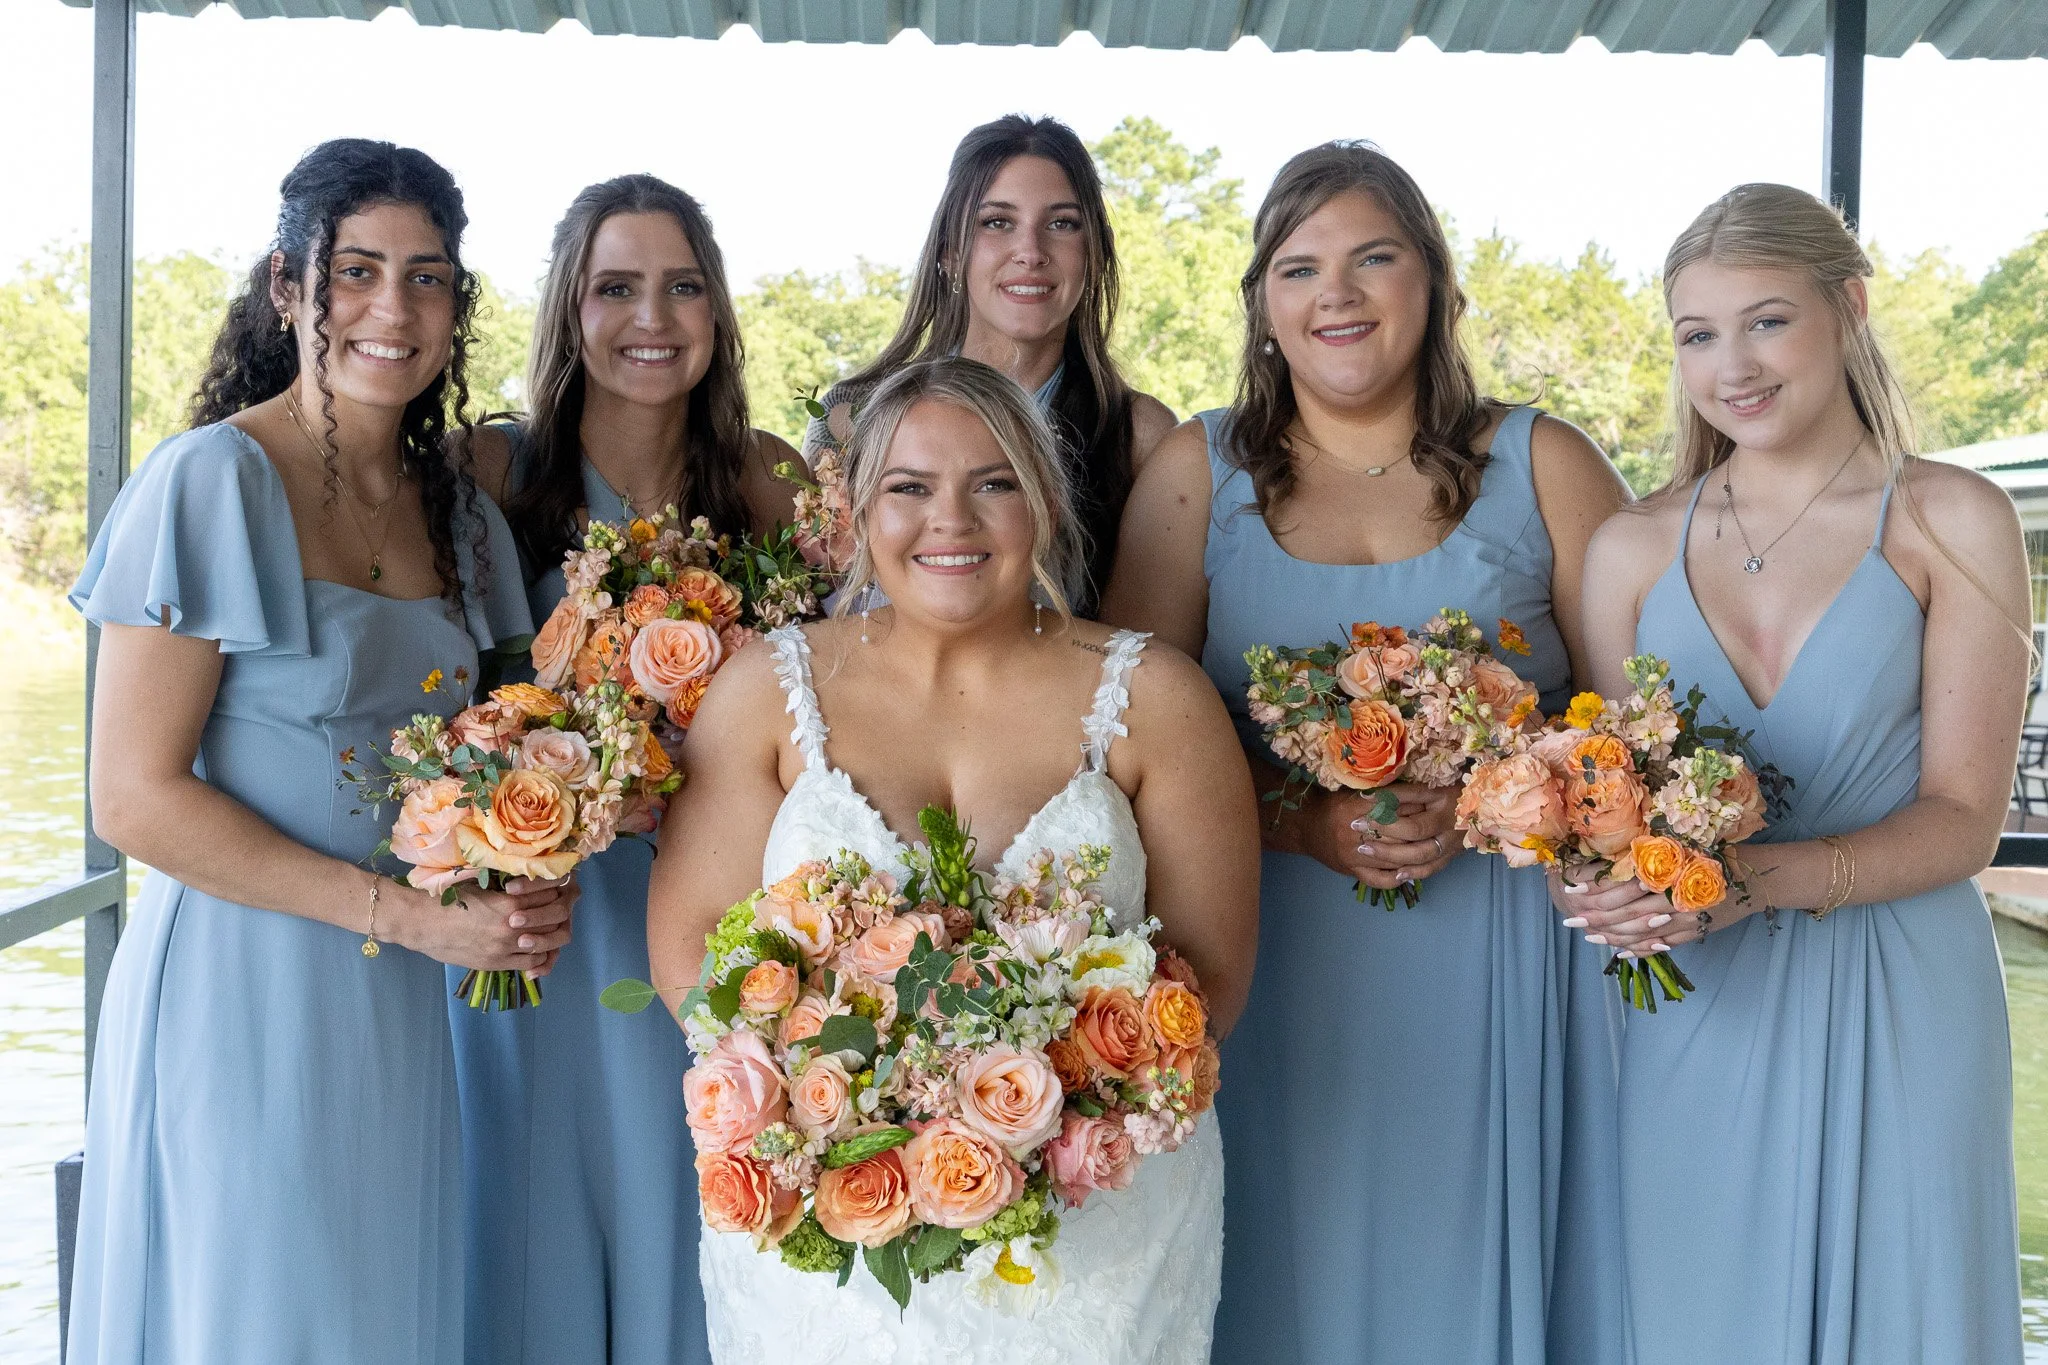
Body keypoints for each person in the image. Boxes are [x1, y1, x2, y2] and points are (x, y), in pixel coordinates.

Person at [1101, 140, 1631, 1363]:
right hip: (1262, 949)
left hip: (1500, 961)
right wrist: (1296, 822)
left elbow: (1626, 720)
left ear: (1433, 282)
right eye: (1300, 267)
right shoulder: (1198, 469)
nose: (1335, 293)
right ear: (1265, 307)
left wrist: (1506, 795)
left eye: (1371, 257)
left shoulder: (1544, 462)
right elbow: (1119, 740)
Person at [650, 356, 1259, 1362]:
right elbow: (689, 961)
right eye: (909, 487)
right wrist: (862, 1107)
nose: (952, 519)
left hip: (1094, 1229)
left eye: (993, 483)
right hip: (831, 1233)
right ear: (851, 511)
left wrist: (1032, 1122)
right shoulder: (766, 689)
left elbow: (1214, 982)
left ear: (1047, 501)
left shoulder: (1157, 698)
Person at [64, 139, 562, 1364]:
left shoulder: (466, 522)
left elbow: (509, 745)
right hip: (245, 996)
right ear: (287, 287)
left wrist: (518, 867)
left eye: (428, 277)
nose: (393, 308)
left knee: (383, 1316)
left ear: (458, 303)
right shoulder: (209, 482)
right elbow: (132, 800)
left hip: (400, 1006)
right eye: (357, 270)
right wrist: (412, 918)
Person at [1562, 182, 2027, 1363]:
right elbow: (1607, 805)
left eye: (1765, 321)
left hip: (1903, 992)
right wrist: (1590, 886)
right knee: (1693, 1313)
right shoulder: (1626, 548)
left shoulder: (1951, 519)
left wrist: (1745, 881)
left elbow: (1966, 820)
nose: (1733, 365)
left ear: (1848, 308)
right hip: (1695, 1009)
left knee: (1904, 1311)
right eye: (1697, 334)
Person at [455, 174, 802, 1365]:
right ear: (569, 307)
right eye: (616, 287)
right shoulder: (486, 472)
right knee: (532, 1205)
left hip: (704, 906)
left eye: (682, 287)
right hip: (537, 910)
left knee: (687, 1186)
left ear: (716, 313)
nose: (651, 317)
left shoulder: (766, 479)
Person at [803, 114, 1177, 617]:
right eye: (997, 222)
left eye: (1062, 224)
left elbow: (1147, 642)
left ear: (1094, 254)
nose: (1030, 252)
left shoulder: (1140, 435)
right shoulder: (852, 415)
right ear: (951, 252)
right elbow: (815, 606)